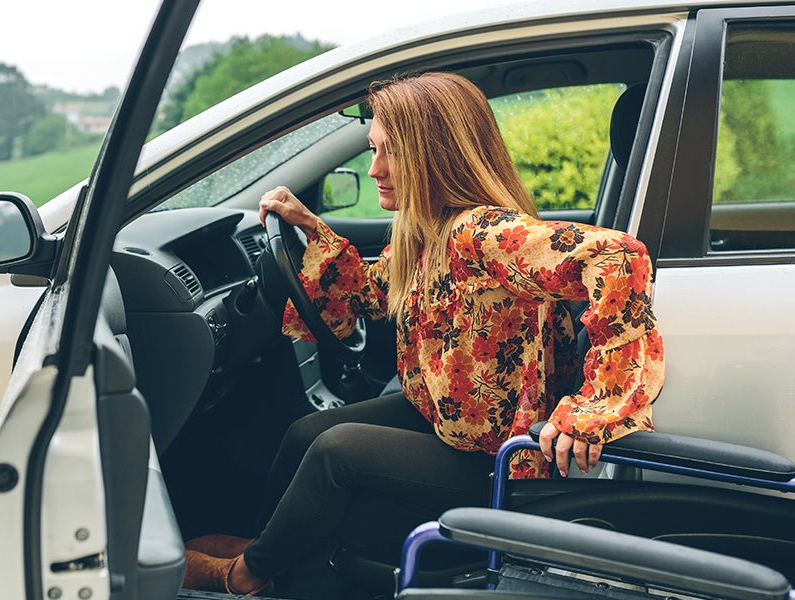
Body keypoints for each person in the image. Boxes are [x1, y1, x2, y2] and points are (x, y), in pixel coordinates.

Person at [182, 71, 665, 596]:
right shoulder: (425, 227)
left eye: (391, 153)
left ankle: (246, 575)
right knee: (304, 432)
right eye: (373, 150)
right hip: (448, 417)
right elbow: (372, 292)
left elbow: (619, 257)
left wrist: (595, 408)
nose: (375, 170)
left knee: (335, 451)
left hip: (502, 453)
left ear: (434, 154)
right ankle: (273, 547)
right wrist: (309, 227)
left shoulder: (479, 232)